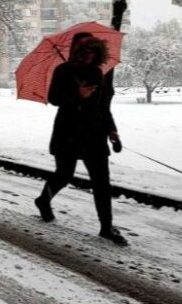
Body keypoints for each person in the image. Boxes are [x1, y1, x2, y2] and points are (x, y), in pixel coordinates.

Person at [34, 32, 128, 246]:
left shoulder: (97, 72)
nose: (89, 56)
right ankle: (44, 200)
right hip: (68, 132)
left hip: (94, 134)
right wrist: (78, 95)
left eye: (93, 51)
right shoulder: (63, 71)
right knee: (64, 175)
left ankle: (106, 227)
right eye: (85, 51)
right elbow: (54, 98)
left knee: (102, 182)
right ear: (76, 51)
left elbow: (103, 106)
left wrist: (112, 130)